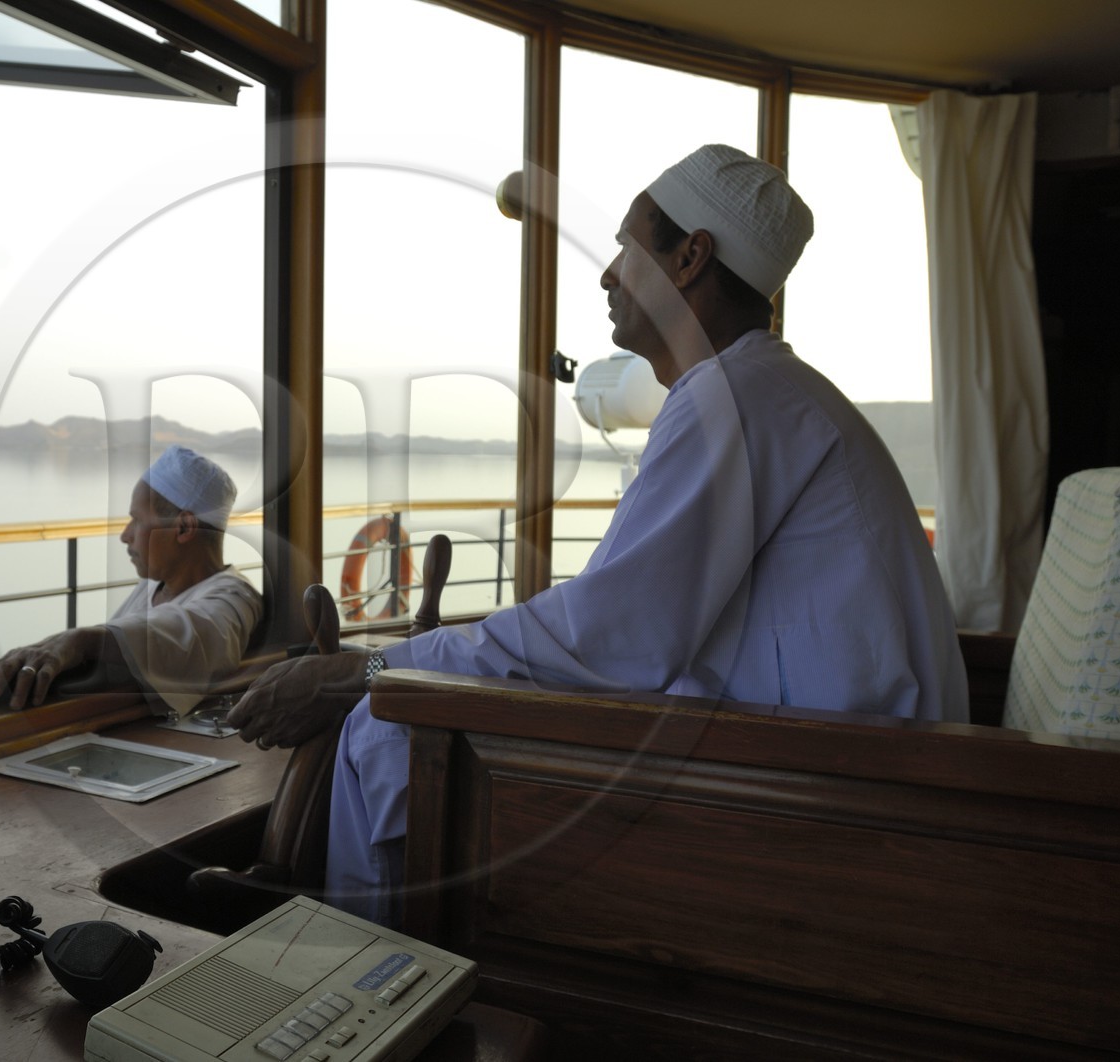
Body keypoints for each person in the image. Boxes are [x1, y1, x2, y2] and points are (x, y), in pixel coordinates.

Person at [227, 144, 969, 926]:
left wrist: (368, 670)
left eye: (627, 247)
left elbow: (612, 639)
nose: (609, 273)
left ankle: (360, 979)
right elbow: (622, 629)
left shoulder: (733, 400)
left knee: (387, 728)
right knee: (414, 706)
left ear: (690, 258)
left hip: (827, 788)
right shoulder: (763, 391)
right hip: (838, 761)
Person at [0, 445, 262, 714]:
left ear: (184, 527)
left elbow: (191, 632)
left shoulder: (234, 599)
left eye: (137, 521)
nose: (125, 535)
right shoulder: (154, 585)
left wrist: (79, 641)